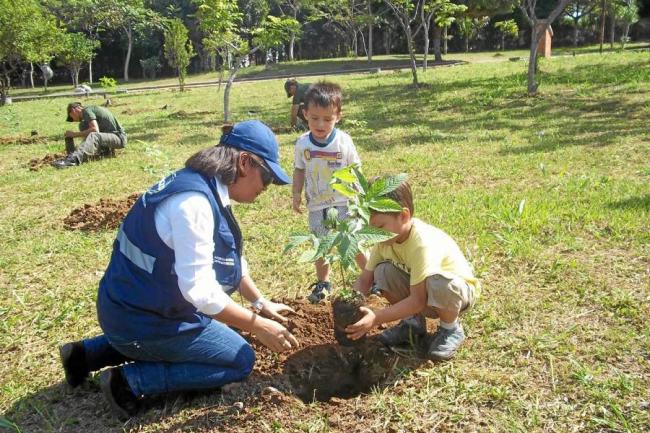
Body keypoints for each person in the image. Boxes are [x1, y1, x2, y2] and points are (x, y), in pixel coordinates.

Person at [58, 120, 299, 420]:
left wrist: (260, 303)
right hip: (140, 320)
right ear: (245, 163)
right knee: (239, 359)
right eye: (267, 177)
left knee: (213, 326)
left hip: (127, 308)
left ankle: (84, 355)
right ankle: (129, 383)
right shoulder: (194, 204)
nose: (268, 186)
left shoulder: (204, 185)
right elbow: (200, 291)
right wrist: (258, 325)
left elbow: (225, 255)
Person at [345, 179, 480, 361]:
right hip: (422, 292)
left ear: (404, 216)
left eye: (379, 227)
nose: (374, 233)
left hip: (455, 293)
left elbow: (417, 300)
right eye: (370, 227)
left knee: (437, 281)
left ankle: (450, 328)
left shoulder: (421, 244)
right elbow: (365, 280)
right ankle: (412, 323)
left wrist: (375, 318)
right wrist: (349, 304)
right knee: (383, 272)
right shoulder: (384, 241)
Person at [291, 81, 366, 303]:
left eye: (327, 119)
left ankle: (372, 277)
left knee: (352, 240)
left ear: (338, 116)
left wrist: (360, 194)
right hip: (317, 203)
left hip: (344, 201)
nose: (320, 124)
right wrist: (296, 193)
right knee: (320, 244)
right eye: (314, 118)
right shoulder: (303, 143)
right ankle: (323, 283)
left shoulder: (344, 141)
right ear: (305, 114)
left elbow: (355, 168)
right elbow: (299, 169)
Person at [52, 102, 127, 169]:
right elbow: (89, 140)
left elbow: (95, 130)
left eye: (71, 117)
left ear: (74, 110)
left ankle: (73, 160)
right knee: (83, 126)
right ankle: (71, 155)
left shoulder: (87, 110)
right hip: (109, 138)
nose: (73, 120)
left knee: (94, 135)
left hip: (119, 138)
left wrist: (74, 134)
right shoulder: (85, 119)